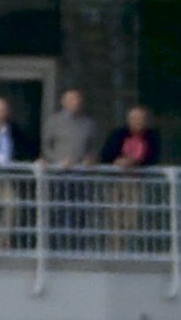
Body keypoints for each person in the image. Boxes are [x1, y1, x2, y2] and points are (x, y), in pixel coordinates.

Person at [42, 85, 100, 253]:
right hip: (59, 173)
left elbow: (94, 147)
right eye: (71, 99)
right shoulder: (53, 121)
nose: (75, 102)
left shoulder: (89, 123)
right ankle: (54, 246)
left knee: (79, 210)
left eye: (77, 99)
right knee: (57, 209)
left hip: (80, 173)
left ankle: (77, 246)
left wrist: (91, 158)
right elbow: (46, 147)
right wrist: (57, 161)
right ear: (63, 102)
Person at [100, 104, 163, 252]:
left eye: (140, 118)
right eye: (133, 118)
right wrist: (118, 161)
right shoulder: (119, 134)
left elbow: (153, 157)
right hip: (116, 182)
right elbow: (106, 155)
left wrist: (135, 162)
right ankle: (113, 251)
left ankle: (127, 249)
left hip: (136, 182)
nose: (137, 121)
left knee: (130, 220)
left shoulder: (151, 136)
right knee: (114, 219)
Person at [0, 93, 31, 248]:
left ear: (7, 112)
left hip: (6, 177)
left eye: (1, 110)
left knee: (12, 205)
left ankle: (2, 242)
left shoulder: (15, 130)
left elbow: (26, 151)